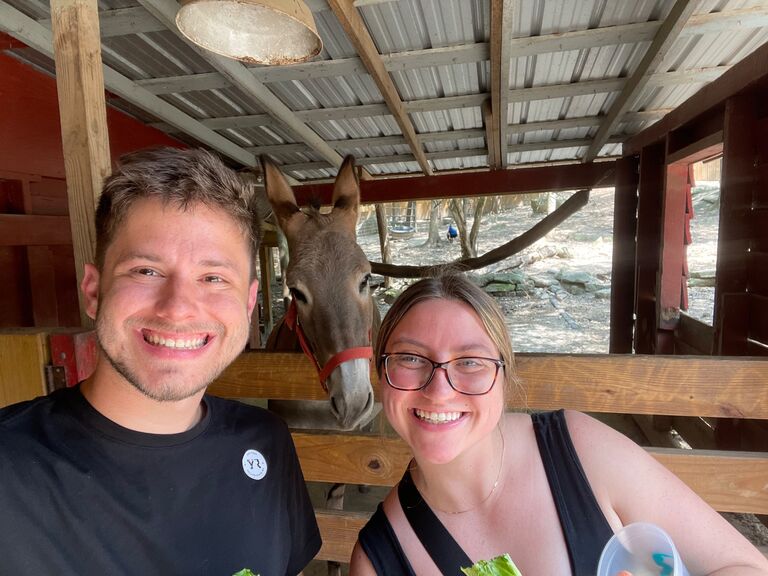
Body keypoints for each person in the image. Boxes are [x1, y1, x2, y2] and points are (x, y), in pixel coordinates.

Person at [0, 147, 321, 575]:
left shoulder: (267, 442)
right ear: (93, 291)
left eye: (213, 278)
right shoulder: (10, 469)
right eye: (146, 271)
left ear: (248, 304)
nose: (177, 308)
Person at [350, 274, 768, 575]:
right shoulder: (378, 558)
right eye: (409, 358)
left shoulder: (581, 450)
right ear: (379, 374)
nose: (439, 390)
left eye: (471, 362)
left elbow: (745, 565)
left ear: (504, 377)